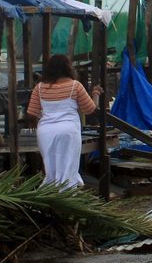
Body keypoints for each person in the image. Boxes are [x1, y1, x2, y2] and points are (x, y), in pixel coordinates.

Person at [26, 54, 101, 188]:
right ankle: (67, 194)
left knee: (51, 169)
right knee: (68, 166)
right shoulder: (75, 86)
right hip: (68, 131)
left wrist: (38, 125)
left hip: (46, 133)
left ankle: (51, 193)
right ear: (68, 68)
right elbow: (90, 109)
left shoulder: (39, 87)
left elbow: (31, 114)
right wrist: (96, 93)